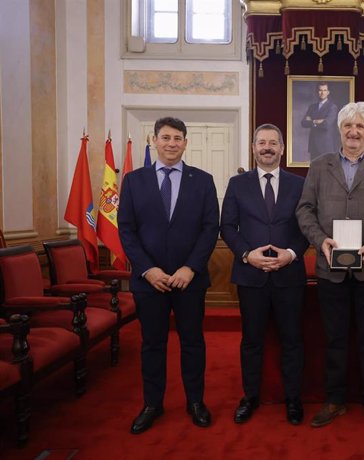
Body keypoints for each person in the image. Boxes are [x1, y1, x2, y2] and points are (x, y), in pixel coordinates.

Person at [296, 101, 364, 436]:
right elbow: (305, 210)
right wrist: (320, 240)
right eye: (348, 126)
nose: (354, 132)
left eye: (360, 127)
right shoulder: (319, 165)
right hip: (331, 269)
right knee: (335, 337)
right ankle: (335, 399)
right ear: (338, 130)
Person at [118, 116, 219, 434]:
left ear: (186, 143)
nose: (172, 143)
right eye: (166, 137)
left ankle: (195, 402)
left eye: (178, 138)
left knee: (193, 343)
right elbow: (127, 230)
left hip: (190, 280)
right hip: (150, 282)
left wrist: (191, 267)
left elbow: (209, 228)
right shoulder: (134, 181)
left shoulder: (203, 180)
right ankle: (152, 404)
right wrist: (148, 270)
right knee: (152, 345)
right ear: (154, 140)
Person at [220, 124, 309, 425]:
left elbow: (307, 227)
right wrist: (247, 255)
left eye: (273, 142)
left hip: (289, 276)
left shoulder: (300, 184)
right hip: (251, 276)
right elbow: (228, 227)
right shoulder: (237, 183)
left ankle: (293, 399)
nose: (267, 147)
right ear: (254, 147)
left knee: (292, 340)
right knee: (251, 341)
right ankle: (250, 397)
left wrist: (291, 254)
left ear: (282, 148)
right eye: (262, 142)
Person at [300, 82, 340, 161]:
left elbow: (326, 124)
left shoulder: (332, 107)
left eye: (324, 90)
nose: (322, 93)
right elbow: (304, 123)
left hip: (326, 146)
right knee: (314, 171)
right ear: (317, 92)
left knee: (326, 171)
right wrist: (316, 121)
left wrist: (311, 121)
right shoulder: (312, 107)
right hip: (313, 145)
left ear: (328, 92)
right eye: (320, 90)